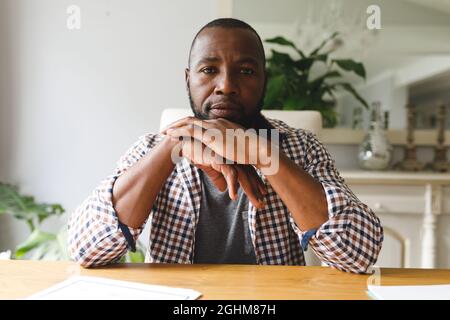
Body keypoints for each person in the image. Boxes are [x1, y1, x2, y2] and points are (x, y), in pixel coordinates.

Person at [68, 18, 383, 274]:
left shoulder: (300, 146)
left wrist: (263, 154)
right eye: (208, 70)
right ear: (188, 79)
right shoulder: (152, 147)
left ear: (263, 79)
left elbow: (358, 255)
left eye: (245, 71)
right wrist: (173, 146)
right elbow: (87, 249)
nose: (227, 86)